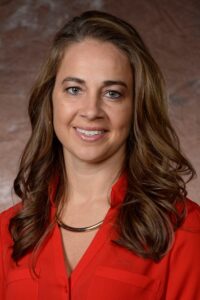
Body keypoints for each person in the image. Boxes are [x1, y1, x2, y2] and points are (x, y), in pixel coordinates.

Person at [0, 10, 200, 300]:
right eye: (74, 89)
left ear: (137, 105)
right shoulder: (9, 232)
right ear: (50, 98)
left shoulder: (185, 231)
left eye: (113, 93)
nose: (91, 110)